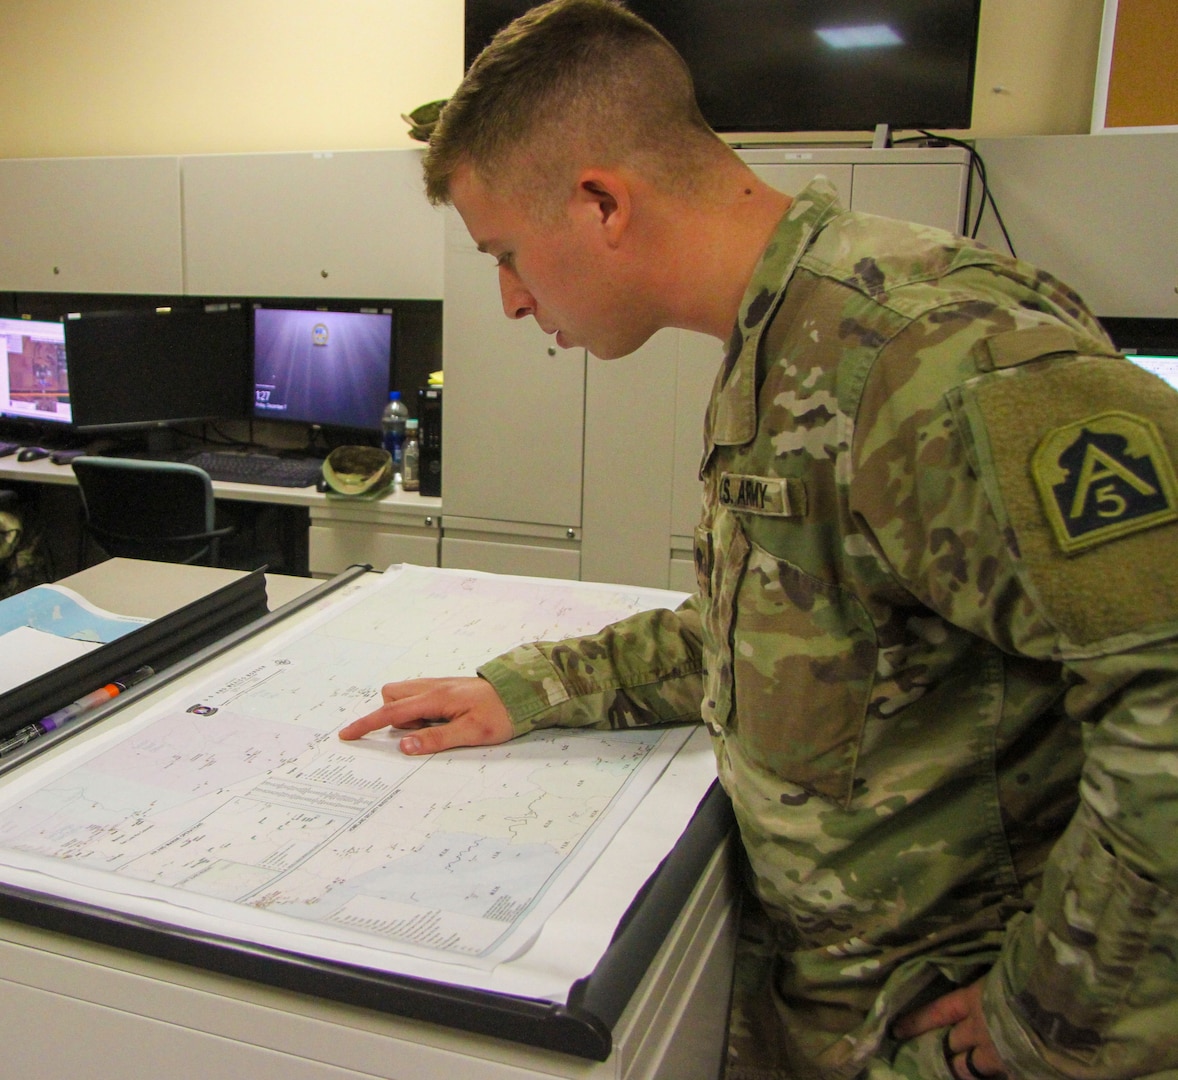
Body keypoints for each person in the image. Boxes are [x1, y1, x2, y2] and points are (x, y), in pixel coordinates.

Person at [339, 2, 1178, 1077]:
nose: (506, 300)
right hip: (827, 995)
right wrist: (534, 688)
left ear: (601, 203)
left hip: (948, 1025)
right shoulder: (788, 339)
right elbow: (784, 631)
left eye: (505, 253)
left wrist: (1050, 1018)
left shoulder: (931, 351)